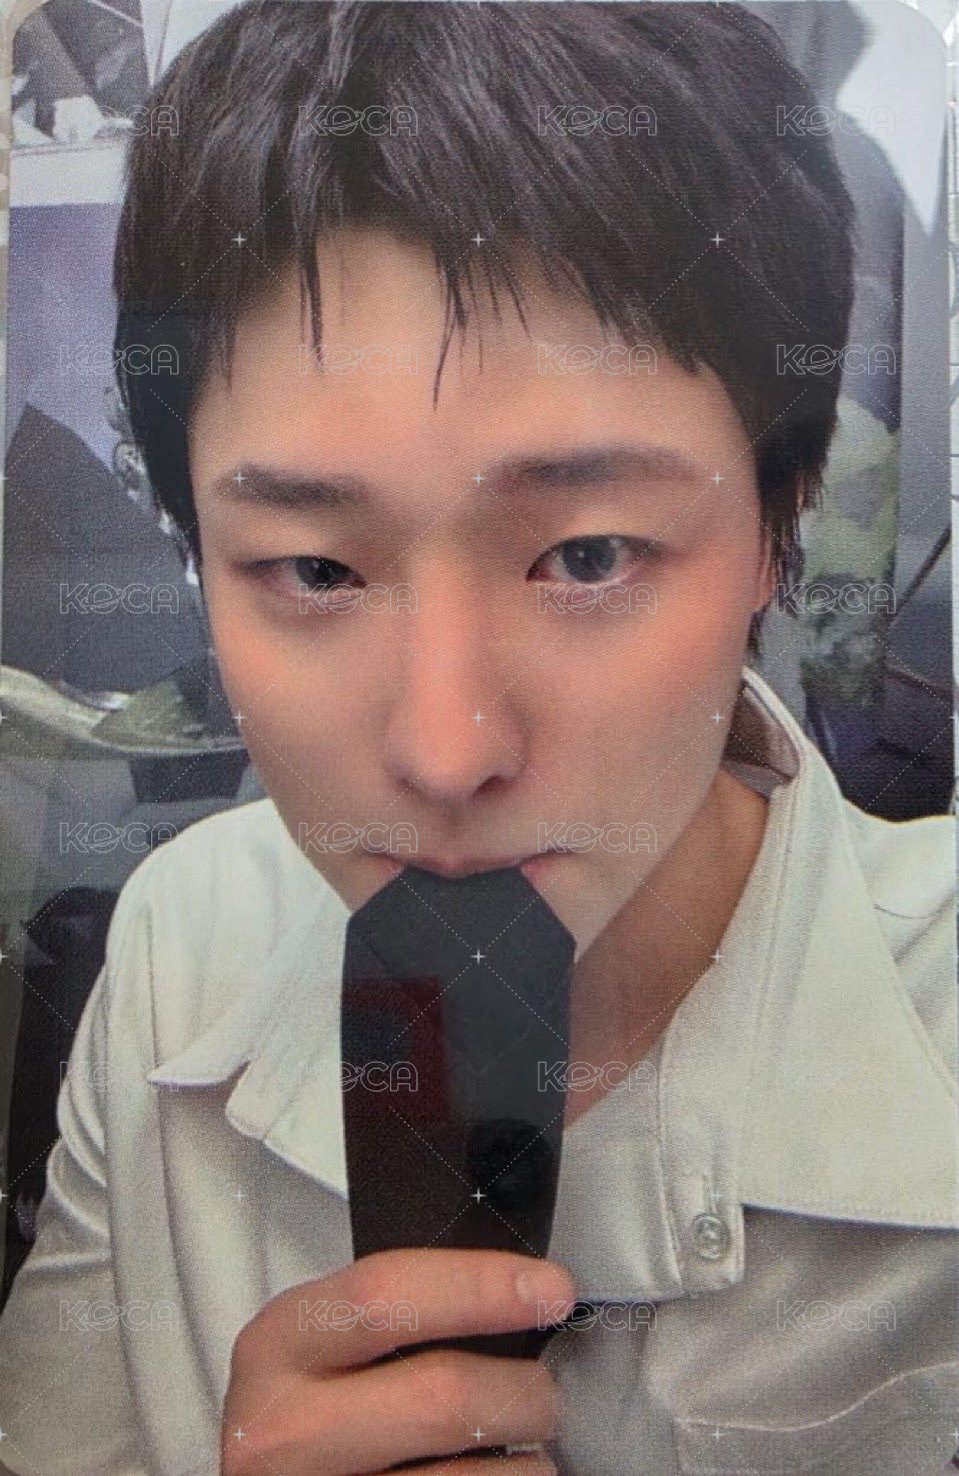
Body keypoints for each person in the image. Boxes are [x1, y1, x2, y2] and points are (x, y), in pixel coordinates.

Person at [0, 3, 956, 1473]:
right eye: (315, 569)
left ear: (781, 522)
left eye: (588, 557)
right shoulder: (181, 946)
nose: (447, 755)